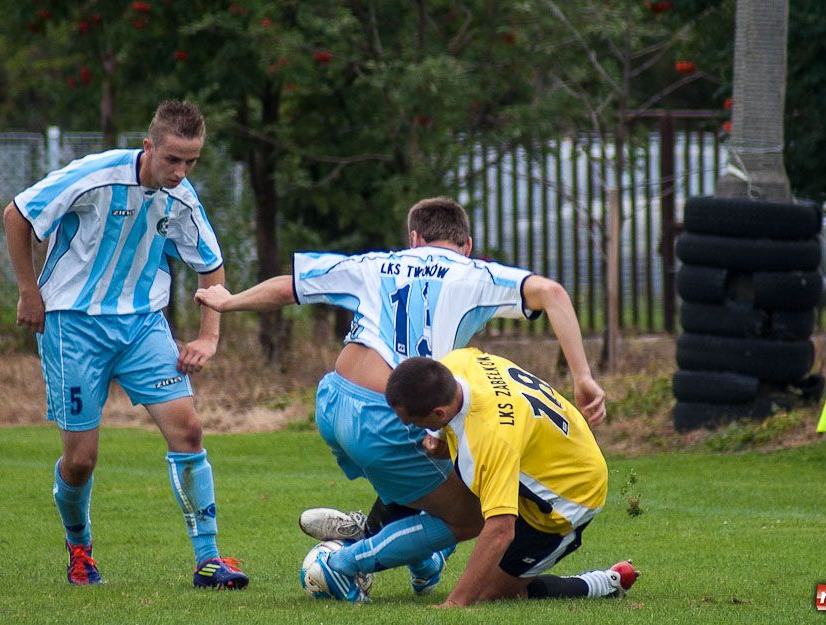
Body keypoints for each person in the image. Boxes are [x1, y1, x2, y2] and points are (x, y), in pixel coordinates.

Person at [194, 197, 605, 592]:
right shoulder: (474, 274)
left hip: (332, 402)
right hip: (390, 415)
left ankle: (416, 557)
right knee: (475, 514)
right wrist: (583, 377)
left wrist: (229, 302)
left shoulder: (374, 263)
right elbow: (552, 292)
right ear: (467, 245)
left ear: (414, 239)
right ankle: (346, 560)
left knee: (443, 468)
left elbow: (290, 288)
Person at [3, 100, 249, 588]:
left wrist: (208, 336)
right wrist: (29, 292)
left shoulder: (182, 197)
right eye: (173, 159)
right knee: (80, 460)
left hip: (142, 326)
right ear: (148, 146)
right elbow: (17, 213)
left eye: (191, 162)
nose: (181, 172)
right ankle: (80, 548)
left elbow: (211, 265)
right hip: (73, 326)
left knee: (189, 431)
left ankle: (208, 559)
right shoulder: (95, 176)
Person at [303, 348, 636, 606]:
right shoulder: (457, 363)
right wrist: (441, 439)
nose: (411, 428)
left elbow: (500, 529)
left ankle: (601, 583)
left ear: (439, 413)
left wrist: (456, 603)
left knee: (493, 592)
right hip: (554, 445)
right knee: (438, 487)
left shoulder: (489, 439)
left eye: (414, 422)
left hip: (568, 496)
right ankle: (402, 549)